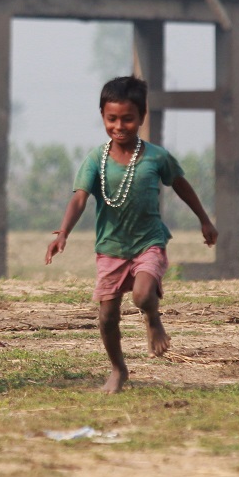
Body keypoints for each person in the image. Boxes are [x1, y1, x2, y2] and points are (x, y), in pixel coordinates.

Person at [45, 76, 217, 393]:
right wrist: (64, 232)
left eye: (128, 119)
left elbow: (180, 184)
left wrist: (204, 220)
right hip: (110, 247)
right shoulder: (95, 160)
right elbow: (79, 198)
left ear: (141, 116)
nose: (120, 126)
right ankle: (118, 369)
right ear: (102, 116)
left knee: (141, 295)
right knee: (107, 317)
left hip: (148, 242)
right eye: (112, 119)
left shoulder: (155, 157)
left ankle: (152, 318)